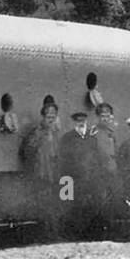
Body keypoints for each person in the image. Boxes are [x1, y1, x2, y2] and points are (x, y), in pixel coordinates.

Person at [20, 100, 63, 232]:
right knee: (44, 204)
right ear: (43, 118)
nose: (51, 120)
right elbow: (26, 151)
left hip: (55, 173)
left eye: (53, 117)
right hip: (42, 173)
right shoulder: (36, 133)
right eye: (48, 117)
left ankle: (55, 230)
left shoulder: (57, 134)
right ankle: (47, 231)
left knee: (57, 203)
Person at [58, 112, 100, 234]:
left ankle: (89, 232)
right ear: (74, 123)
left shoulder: (92, 139)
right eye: (78, 122)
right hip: (72, 178)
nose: (81, 124)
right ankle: (74, 232)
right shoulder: (67, 138)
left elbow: (95, 159)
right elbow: (63, 159)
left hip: (89, 177)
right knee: (72, 205)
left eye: (83, 122)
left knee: (90, 204)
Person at [90, 102, 121, 224]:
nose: (105, 118)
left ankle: (111, 226)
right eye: (103, 116)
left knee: (113, 199)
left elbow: (116, 151)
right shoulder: (93, 132)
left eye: (108, 116)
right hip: (98, 172)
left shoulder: (111, 132)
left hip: (112, 171)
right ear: (98, 117)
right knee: (99, 199)